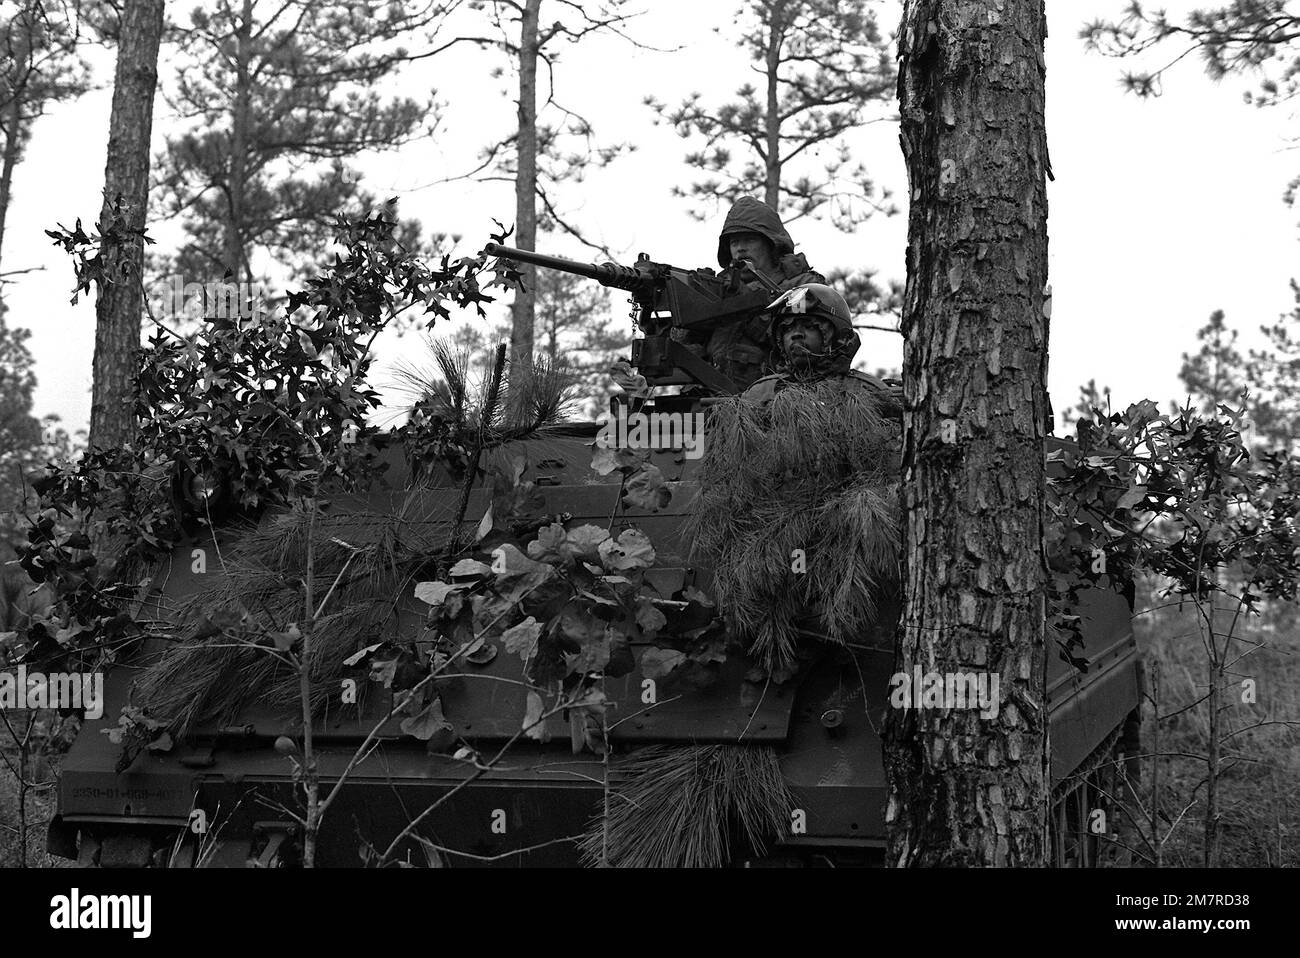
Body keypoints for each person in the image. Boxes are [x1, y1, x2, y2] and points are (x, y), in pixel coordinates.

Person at [687, 197, 825, 391]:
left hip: (776, 402)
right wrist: (688, 312)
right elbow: (691, 349)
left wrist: (740, 302)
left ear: (772, 245)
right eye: (734, 242)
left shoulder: (805, 287)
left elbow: (796, 337)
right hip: (710, 401)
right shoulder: (720, 289)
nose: (740, 248)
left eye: (749, 240)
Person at [741, 283, 902, 419]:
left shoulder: (868, 391)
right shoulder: (760, 393)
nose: (796, 334)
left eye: (809, 326)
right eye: (788, 328)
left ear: (837, 338)